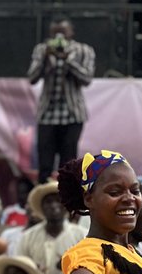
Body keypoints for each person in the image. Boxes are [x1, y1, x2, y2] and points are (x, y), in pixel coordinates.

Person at [27, 17, 95, 182]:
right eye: (55, 32)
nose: (59, 36)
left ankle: (68, 199)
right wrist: (45, 58)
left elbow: (86, 79)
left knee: (69, 162)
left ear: (71, 32)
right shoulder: (41, 49)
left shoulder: (84, 50)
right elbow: (32, 78)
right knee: (45, 163)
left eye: (63, 31)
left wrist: (67, 60)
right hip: (47, 114)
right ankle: (44, 197)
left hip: (72, 114)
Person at [16, 182, 86, 274]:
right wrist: (31, 270)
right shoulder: (28, 237)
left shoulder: (82, 236)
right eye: (48, 202)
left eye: (58, 200)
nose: (54, 205)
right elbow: (19, 268)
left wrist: (72, 265)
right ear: (42, 207)